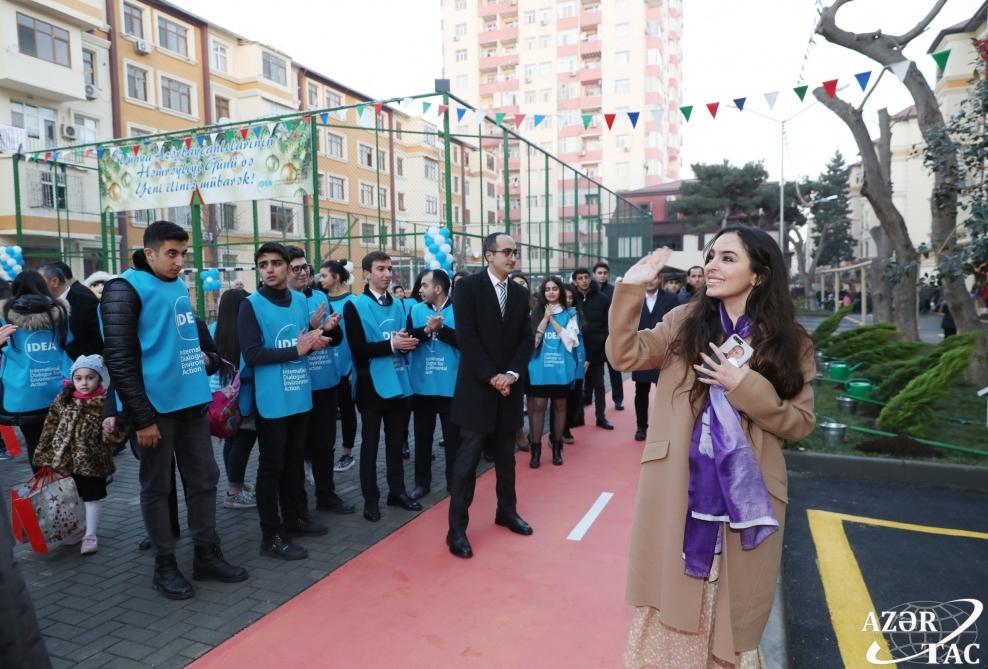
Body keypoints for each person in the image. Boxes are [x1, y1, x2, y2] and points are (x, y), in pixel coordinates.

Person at [606, 227, 815, 668]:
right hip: (680, 490)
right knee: (674, 601)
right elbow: (624, 355)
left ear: (758, 274)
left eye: (727, 258)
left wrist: (746, 387)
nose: (711, 266)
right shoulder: (685, 321)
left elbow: (800, 424)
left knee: (733, 616)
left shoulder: (789, 341)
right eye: (710, 256)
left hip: (746, 500)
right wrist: (628, 288)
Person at [101, 220, 247, 599]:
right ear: (149, 252)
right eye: (171, 253)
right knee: (157, 486)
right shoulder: (124, 289)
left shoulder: (178, 284)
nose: (179, 261)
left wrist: (210, 361)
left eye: (183, 254)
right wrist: (141, 418)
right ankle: (164, 564)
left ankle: (206, 553)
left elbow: (189, 341)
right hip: (156, 410)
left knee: (204, 480)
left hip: (192, 404)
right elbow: (118, 358)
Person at [239, 242, 335, 560]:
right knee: (272, 467)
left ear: (287, 267)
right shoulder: (249, 305)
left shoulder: (298, 301)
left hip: (300, 394)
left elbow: (299, 338)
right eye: (263, 263)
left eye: (276, 263)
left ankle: (295, 518)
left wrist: (315, 335)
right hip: (272, 400)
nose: (269, 268)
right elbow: (252, 354)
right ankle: (271, 535)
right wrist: (298, 349)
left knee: (294, 462)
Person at [447, 233, 534, 559]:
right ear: (488, 255)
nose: (512, 257)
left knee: (507, 459)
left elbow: (525, 339)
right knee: (466, 463)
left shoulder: (520, 293)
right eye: (507, 252)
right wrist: (491, 376)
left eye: (515, 251)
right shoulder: (467, 288)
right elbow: (466, 337)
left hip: (508, 390)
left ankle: (506, 511)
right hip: (477, 390)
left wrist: (511, 374)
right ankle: (456, 530)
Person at [342, 251, 422, 522]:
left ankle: (397, 492)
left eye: (389, 269)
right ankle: (370, 499)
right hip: (370, 386)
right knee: (371, 445)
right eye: (380, 269)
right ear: (366, 273)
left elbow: (407, 339)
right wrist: (392, 345)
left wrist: (420, 336)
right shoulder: (354, 306)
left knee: (396, 443)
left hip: (400, 382)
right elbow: (358, 349)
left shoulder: (401, 305)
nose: (387, 274)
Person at [32, 355, 126, 554]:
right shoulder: (63, 400)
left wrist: (111, 431)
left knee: (91, 496)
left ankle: (90, 534)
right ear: (72, 379)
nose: (84, 382)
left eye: (90, 377)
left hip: (92, 462)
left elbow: (116, 437)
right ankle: (78, 527)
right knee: (72, 496)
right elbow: (49, 428)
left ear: (99, 378)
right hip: (64, 461)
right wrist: (44, 455)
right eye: (79, 378)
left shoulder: (104, 402)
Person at [285, 247, 351, 516]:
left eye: (305, 267)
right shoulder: (283, 301)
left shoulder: (321, 296)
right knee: (296, 449)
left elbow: (337, 339)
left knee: (325, 443)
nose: (303, 273)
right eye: (296, 268)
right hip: (296, 385)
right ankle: (297, 505)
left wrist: (327, 328)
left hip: (325, 383)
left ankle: (326, 494)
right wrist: (314, 329)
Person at [0, 271, 73, 470]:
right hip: (59, 388)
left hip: (23, 394)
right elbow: (70, 342)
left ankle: (46, 492)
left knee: (35, 446)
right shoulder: (60, 311)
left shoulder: (5, 314)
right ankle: (68, 488)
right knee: (63, 443)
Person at [407, 269, 460, 497]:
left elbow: (468, 342)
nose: (420, 289)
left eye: (425, 285)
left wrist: (443, 330)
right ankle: (422, 483)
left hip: (451, 386)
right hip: (422, 386)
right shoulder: (416, 309)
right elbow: (408, 338)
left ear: (438, 288)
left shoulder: (460, 310)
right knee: (422, 439)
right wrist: (428, 331)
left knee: (453, 441)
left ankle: (454, 482)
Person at [525, 276, 579, 467]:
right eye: (547, 289)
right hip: (539, 368)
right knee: (538, 406)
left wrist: (554, 322)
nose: (551, 292)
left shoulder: (571, 313)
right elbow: (533, 342)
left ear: (560, 291)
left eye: (555, 288)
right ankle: (536, 450)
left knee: (560, 406)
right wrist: (545, 318)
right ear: (543, 292)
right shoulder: (536, 312)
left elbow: (571, 341)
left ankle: (556, 449)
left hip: (560, 368)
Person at [212, 288, 257, 509]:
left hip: (222, 402)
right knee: (244, 442)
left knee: (231, 441)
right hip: (244, 399)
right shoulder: (244, 331)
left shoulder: (215, 329)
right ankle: (233, 492)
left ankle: (235, 484)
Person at [632, 271, 679, 442]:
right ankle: (641, 427)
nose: (650, 281)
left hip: (666, 354)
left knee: (666, 392)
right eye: (647, 277)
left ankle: (665, 427)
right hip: (643, 353)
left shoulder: (671, 299)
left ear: (659, 279)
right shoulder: (634, 299)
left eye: (654, 277)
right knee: (641, 392)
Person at [322, 260, 358, 473]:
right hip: (326, 365)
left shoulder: (352, 302)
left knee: (346, 410)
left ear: (336, 276)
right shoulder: (320, 300)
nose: (321, 279)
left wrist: (353, 366)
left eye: (325, 275)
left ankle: (347, 453)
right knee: (325, 414)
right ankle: (325, 454)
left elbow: (356, 337)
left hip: (346, 366)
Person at [573, 268, 614, 430]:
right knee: (576, 386)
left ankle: (601, 417)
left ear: (590, 279)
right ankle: (577, 417)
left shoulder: (602, 299)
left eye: (586, 277)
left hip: (596, 351)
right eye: (580, 278)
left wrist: (597, 348)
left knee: (599, 385)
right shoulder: (570, 298)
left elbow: (606, 326)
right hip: (575, 351)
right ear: (575, 281)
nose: (583, 280)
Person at [39, 262, 103, 358]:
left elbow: (96, 338)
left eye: (40, 281)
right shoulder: (41, 304)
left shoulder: (86, 301)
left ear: (55, 281)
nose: (37, 286)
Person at [594, 261, 624, 412]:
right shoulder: (590, 291)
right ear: (594, 274)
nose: (602, 275)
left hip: (611, 338)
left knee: (615, 370)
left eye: (605, 273)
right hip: (595, 339)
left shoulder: (614, 291)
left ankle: (618, 399)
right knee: (594, 373)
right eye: (599, 273)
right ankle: (587, 398)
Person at [561, 283, 586, 444]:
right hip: (560, 363)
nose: (568, 300)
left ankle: (567, 427)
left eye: (571, 297)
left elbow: (582, 338)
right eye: (565, 297)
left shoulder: (577, 315)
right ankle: (557, 432)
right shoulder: (554, 316)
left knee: (575, 398)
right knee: (560, 399)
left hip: (578, 362)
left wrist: (585, 358)